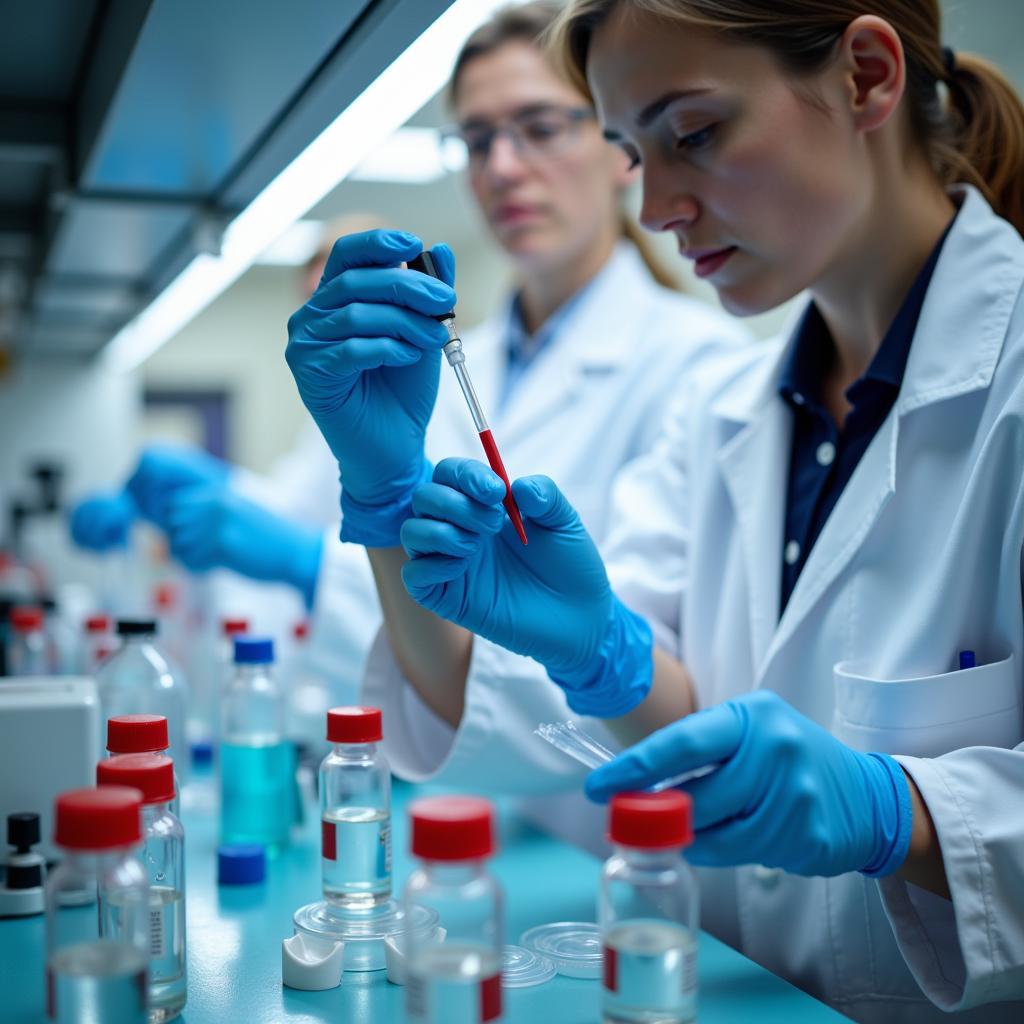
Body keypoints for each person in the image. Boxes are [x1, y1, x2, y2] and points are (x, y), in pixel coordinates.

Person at [286, 0, 1024, 1020]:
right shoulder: (717, 410)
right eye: (638, 152)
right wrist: (598, 648)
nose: (659, 206)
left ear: (864, 75)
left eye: (696, 134)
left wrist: (908, 815)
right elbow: (652, 724)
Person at [73, 2, 747, 709]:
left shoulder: (698, 368)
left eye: (540, 128)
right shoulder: (456, 361)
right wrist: (220, 497)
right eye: (478, 140)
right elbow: (315, 512)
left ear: (620, 146)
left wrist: (307, 566)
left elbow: (643, 667)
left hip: (611, 808)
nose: (504, 167)